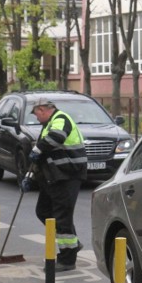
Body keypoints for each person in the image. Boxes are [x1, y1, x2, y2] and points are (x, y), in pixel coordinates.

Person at [26, 99, 88, 272]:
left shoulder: (60, 119)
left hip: (68, 175)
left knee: (62, 218)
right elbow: (41, 157)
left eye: (36, 114)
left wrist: (37, 149)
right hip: (54, 176)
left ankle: (67, 259)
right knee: (43, 212)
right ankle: (73, 243)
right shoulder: (48, 124)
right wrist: (29, 176)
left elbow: (55, 138)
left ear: (43, 109)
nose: (36, 118)